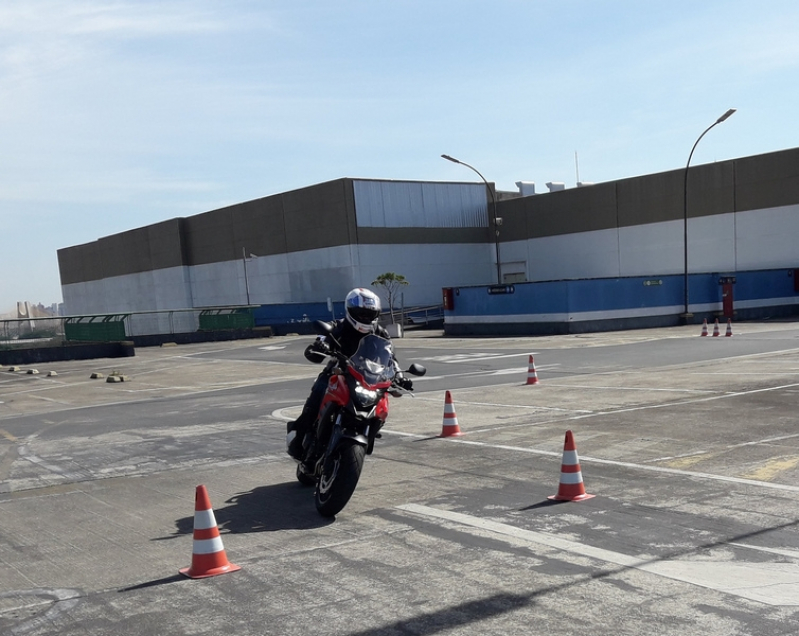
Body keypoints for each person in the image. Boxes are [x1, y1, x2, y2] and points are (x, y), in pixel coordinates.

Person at [286, 287, 412, 461]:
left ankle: (367, 433)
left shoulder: (380, 333)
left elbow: (390, 357)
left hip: (366, 380)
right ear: (351, 311)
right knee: (315, 402)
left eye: (370, 314)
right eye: (361, 313)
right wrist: (321, 347)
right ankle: (297, 439)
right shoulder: (338, 327)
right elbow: (321, 342)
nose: (365, 318)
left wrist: (399, 376)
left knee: (382, 404)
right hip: (337, 374)